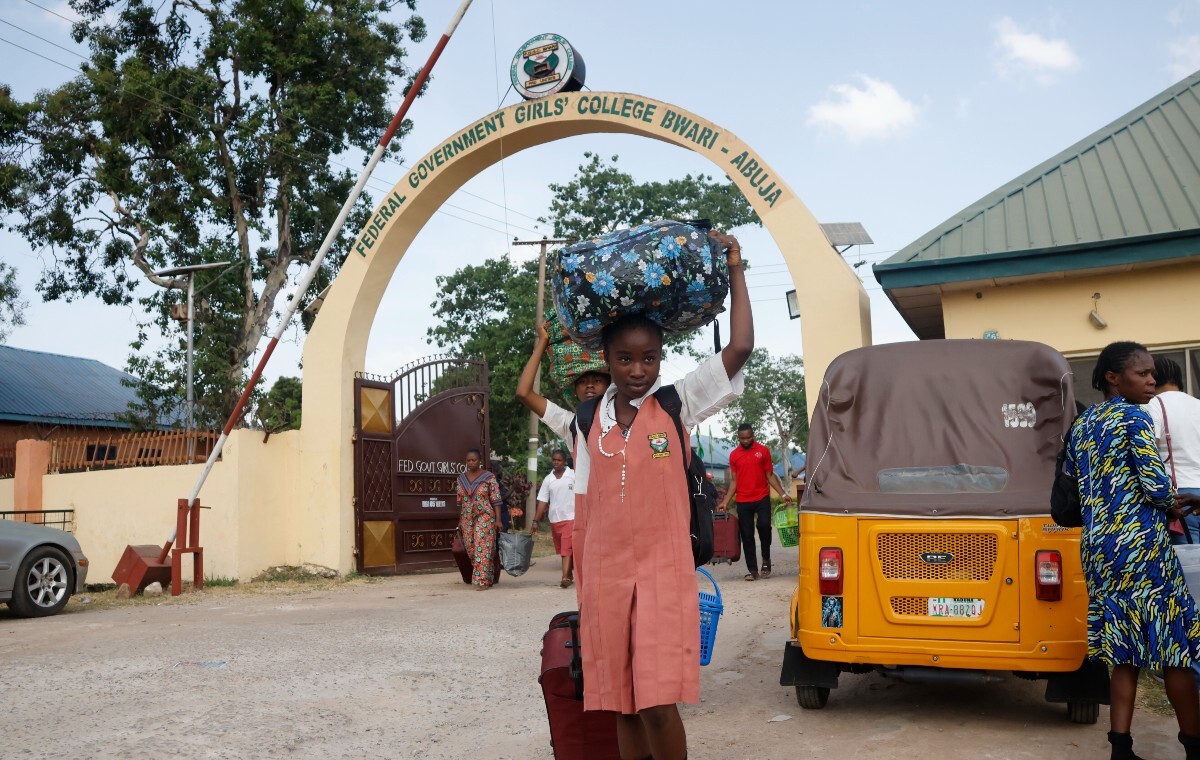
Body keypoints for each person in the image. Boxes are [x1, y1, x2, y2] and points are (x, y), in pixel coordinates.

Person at [570, 229, 751, 760]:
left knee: (655, 701)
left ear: (661, 357)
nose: (637, 370)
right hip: (604, 578)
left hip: (659, 573)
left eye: (648, 358)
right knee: (622, 702)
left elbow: (740, 346)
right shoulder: (587, 420)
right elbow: (585, 509)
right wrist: (582, 582)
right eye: (624, 359)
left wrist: (736, 267)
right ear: (606, 357)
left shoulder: (677, 405)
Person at [1063, 341, 1200, 760]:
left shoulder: (1083, 424)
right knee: (1175, 647)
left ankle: (1120, 749)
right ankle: (1194, 747)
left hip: (1100, 548)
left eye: (1151, 374)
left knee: (1122, 648)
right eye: (1142, 373)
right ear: (1113, 377)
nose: (1151, 380)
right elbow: (1157, 487)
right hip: (1141, 547)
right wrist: (1182, 501)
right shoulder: (1135, 417)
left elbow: (1080, 484)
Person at [516, 321, 611, 442]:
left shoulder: (625, 416)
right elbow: (523, 393)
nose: (589, 385)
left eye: (597, 380)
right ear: (575, 390)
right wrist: (543, 341)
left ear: (610, 386)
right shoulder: (569, 425)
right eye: (582, 382)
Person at [720, 424, 793, 581]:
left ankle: (766, 560)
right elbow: (734, 481)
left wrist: (783, 494)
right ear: (738, 437)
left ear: (753, 436)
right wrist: (725, 501)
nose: (745, 441)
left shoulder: (763, 451)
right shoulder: (734, 455)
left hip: (761, 497)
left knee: (764, 526)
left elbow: (770, 476)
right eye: (742, 438)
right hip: (743, 500)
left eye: (748, 437)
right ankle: (752, 570)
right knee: (746, 534)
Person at [1145, 356, 1200, 544]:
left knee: (1188, 565)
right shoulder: (1197, 404)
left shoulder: (1153, 405)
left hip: (1179, 498)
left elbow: (1147, 451)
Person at [455, 448, 502, 590]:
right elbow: (460, 502)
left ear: (480, 461)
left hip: (485, 516)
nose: (471, 463)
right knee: (470, 548)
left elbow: (496, 500)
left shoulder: (489, 477)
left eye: (474, 460)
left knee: (482, 546)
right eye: (468, 460)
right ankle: (489, 576)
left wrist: (498, 520)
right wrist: (459, 520)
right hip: (466, 518)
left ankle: (482, 580)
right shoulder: (461, 478)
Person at [530, 449, 576, 588]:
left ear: (565, 462)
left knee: (566, 548)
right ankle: (570, 573)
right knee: (563, 548)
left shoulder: (573, 475)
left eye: (559, 460)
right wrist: (535, 521)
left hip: (572, 517)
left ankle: (565, 578)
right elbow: (543, 501)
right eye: (554, 460)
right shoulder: (548, 479)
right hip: (555, 519)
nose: (556, 462)